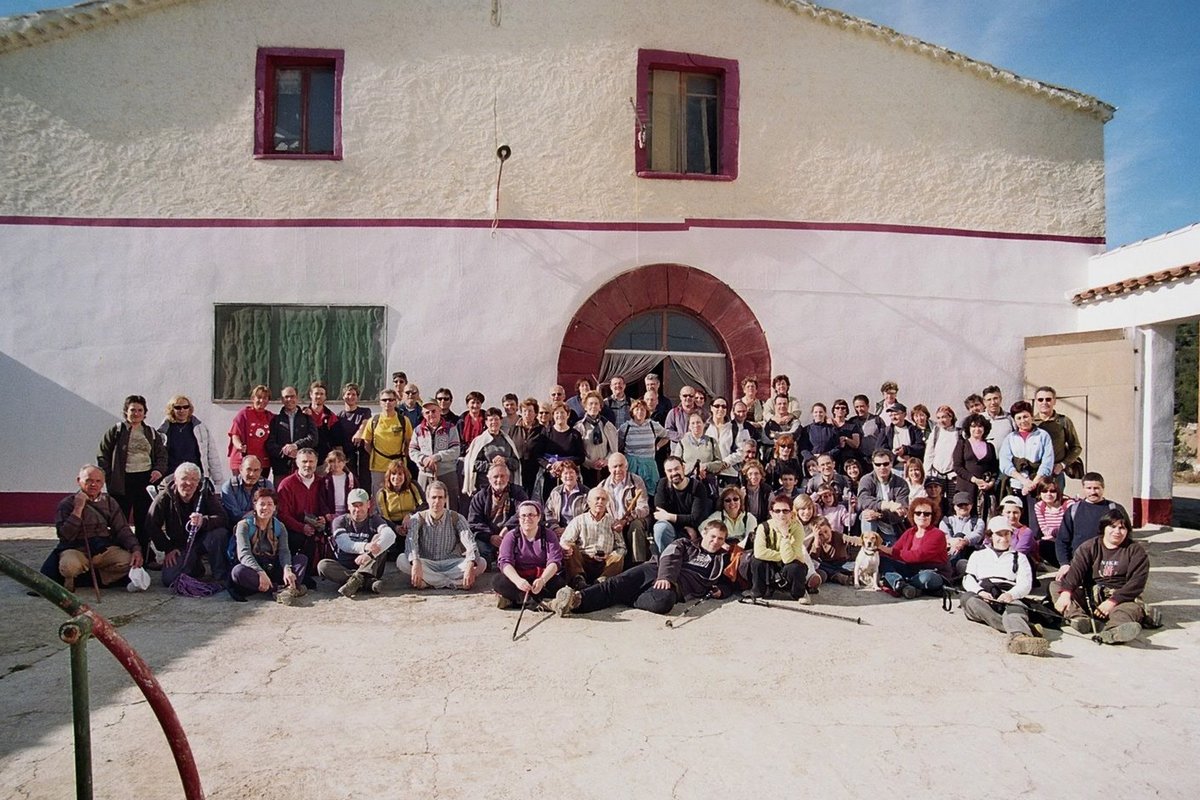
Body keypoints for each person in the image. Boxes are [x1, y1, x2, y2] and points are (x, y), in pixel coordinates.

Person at [550, 520, 733, 617]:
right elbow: (670, 556)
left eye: (721, 539)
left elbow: (728, 582)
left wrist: (721, 591)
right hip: (656, 570)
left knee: (664, 603)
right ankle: (577, 601)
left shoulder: (720, 560)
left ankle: (628, 596)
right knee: (618, 582)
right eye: (713, 536)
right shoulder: (685, 543)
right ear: (704, 533)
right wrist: (666, 576)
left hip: (674, 588)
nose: (716, 541)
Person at [1051, 507, 1153, 645]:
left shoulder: (1136, 551)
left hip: (1121, 599)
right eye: (1112, 526)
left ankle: (1113, 632)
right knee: (1056, 586)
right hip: (1091, 597)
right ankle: (1079, 619)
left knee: (1128, 611)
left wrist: (1112, 602)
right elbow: (1075, 573)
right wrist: (1066, 593)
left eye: (1122, 528)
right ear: (1103, 528)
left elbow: (1136, 584)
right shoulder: (1089, 547)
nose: (1117, 531)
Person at [43, 465, 144, 591]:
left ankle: (87, 579)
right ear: (79, 481)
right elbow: (65, 535)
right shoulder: (67, 504)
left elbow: (122, 529)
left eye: (98, 481)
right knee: (69, 567)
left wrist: (135, 549)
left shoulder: (109, 502)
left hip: (103, 550)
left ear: (103, 483)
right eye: (89, 480)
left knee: (131, 563)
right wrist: (78, 508)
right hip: (77, 549)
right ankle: (72, 577)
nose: (93, 485)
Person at [961, 517, 1049, 656]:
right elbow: (968, 579)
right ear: (990, 536)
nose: (1003, 538)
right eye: (999, 534)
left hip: (1008, 595)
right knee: (968, 599)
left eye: (1007, 534)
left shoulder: (1020, 557)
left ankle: (1018, 638)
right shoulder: (977, 555)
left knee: (1016, 606)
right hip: (983, 596)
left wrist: (1011, 595)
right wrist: (980, 591)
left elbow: (1025, 583)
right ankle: (1022, 627)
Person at [146, 462, 230, 588]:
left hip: (202, 540)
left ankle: (220, 576)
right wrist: (168, 548)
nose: (189, 483)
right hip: (179, 545)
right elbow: (151, 524)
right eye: (184, 478)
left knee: (219, 534)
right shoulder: (165, 497)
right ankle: (195, 566)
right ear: (176, 480)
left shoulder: (205, 493)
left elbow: (223, 518)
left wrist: (204, 521)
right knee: (170, 580)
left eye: (194, 479)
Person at [398, 480, 485, 590]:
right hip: (427, 563)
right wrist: (415, 562)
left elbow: (470, 543)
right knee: (402, 560)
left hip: (452, 564)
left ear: (445, 499)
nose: (437, 501)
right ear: (427, 499)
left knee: (481, 563)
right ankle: (452, 583)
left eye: (440, 497)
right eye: (433, 497)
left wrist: (470, 564)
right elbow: (411, 543)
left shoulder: (456, 518)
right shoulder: (417, 518)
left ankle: (430, 582)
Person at [229, 488, 307, 603]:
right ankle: (282, 589)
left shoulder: (280, 526)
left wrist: (287, 569)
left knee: (301, 559)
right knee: (238, 571)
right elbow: (244, 554)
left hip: (272, 566)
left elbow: (284, 551)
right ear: (255, 505)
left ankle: (282, 588)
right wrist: (260, 572)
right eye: (262, 504)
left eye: (270, 504)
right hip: (254, 568)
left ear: (275, 507)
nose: (265, 508)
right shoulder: (244, 526)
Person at [317, 488, 395, 597]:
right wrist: (366, 546)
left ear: (368, 504)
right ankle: (366, 583)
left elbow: (391, 535)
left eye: (361, 505)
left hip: (370, 566)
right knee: (323, 565)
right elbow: (345, 544)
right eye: (354, 505)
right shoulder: (340, 521)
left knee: (379, 539)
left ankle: (357, 580)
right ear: (348, 506)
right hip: (345, 567)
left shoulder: (375, 520)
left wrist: (369, 554)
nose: (357, 509)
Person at [493, 500, 566, 609]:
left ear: (539, 517)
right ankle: (544, 604)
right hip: (519, 577)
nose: (527, 519)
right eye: (523, 516)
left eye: (531, 515)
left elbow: (554, 561)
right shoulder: (511, 536)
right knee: (498, 581)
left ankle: (512, 601)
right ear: (519, 518)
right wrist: (518, 581)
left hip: (540, 577)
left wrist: (542, 580)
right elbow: (505, 562)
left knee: (559, 583)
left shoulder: (549, 535)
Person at [745, 494, 816, 602]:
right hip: (771, 565)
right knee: (756, 561)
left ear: (791, 512)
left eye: (785, 511)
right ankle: (759, 592)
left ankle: (799, 594)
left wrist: (785, 536)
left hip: (788, 566)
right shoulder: (763, 527)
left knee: (796, 567)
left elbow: (789, 559)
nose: (781, 514)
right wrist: (782, 555)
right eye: (777, 511)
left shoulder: (797, 527)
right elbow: (759, 553)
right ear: (771, 513)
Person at [1054, 472, 1125, 581]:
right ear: (1083, 488)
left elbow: (1126, 538)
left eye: (1096, 488)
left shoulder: (1115, 509)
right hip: (1079, 562)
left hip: (1107, 563)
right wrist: (1064, 564)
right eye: (1089, 488)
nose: (1093, 492)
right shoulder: (1074, 510)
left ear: (1103, 488)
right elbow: (1062, 540)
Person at [877, 497, 948, 598]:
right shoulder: (909, 532)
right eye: (918, 513)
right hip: (910, 569)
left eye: (927, 514)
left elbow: (918, 556)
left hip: (932, 571)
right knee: (882, 560)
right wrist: (879, 550)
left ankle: (898, 584)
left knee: (926, 578)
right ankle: (901, 584)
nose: (922, 516)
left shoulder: (938, 534)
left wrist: (889, 550)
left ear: (932, 516)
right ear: (913, 515)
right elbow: (895, 551)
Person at [274, 448, 324, 586]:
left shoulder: (322, 482)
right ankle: (301, 575)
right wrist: (301, 527)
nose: (308, 465)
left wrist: (323, 519)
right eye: (304, 461)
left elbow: (327, 505)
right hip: (294, 529)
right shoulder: (286, 484)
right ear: (297, 463)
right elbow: (282, 514)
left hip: (317, 527)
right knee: (298, 538)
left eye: (311, 461)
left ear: (316, 463)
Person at [560, 487, 626, 589]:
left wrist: (611, 555)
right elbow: (564, 541)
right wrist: (567, 547)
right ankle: (578, 580)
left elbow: (621, 547)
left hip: (604, 563)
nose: (600, 502)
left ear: (607, 503)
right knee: (570, 547)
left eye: (603, 499)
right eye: (597, 498)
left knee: (619, 556)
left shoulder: (613, 522)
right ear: (589, 502)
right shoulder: (579, 520)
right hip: (583, 561)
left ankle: (602, 582)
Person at [999, 400, 1054, 518]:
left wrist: (1033, 484)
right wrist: (1024, 481)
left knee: (1036, 520)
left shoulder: (1043, 435)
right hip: (1016, 485)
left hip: (1038, 486)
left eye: (1025, 416)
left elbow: (1047, 462)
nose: (1023, 421)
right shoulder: (1010, 438)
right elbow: (1005, 463)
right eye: (1018, 418)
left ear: (1031, 416)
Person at [467, 463, 529, 565]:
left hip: (512, 534)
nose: (499, 480)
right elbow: (474, 522)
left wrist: (507, 528)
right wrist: (491, 537)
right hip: (488, 537)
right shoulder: (480, 496)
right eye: (495, 476)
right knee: (480, 550)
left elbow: (524, 512)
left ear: (508, 478)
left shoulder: (518, 492)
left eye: (502, 476)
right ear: (489, 479)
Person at [159, 394, 226, 485]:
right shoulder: (164, 430)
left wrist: (218, 480)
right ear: (172, 409)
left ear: (189, 409)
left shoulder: (200, 428)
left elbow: (212, 454)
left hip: (195, 476)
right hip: (171, 476)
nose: (182, 410)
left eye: (185, 407)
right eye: (178, 407)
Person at [652, 456, 712, 554]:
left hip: (694, 530)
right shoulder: (662, 484)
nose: (674, 473)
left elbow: (696, 518)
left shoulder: (697, 487)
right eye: (669, 471)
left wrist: (669, 516)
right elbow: (659, 514)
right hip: (675, 528)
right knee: (660, 527)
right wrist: (683, 527)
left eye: (677, 469)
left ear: (683, 468)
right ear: (665, 472)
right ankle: (665, 558)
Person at [599, 453, 651, 563]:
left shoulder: (636, 481)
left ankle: (639, 563)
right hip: (612, 523)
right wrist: (611, 522)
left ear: (626, 466)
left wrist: (626, 520)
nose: (618, 470)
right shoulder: (602, 487)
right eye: (615, 466)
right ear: (609, 469)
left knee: (636, 526)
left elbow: (644, 508)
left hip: (632, 520)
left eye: (621, 465)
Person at [409, 400, 463, 506]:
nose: (431, 414)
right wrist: (423, 459)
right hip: (425, 474)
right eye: (427, 412)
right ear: (423, 414)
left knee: (449, 505)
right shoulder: (418, 430)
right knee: (424, 505)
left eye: (433, 411)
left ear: (439, 411)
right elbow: (412, 450)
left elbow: (456, 450)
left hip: (446, 473)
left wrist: (437, 457)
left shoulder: (450, 428)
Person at [359, 389, 413, 493]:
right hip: (378, 466)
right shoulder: (373, 421)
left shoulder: (404, 420)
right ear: (380, 402)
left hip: (398, 466)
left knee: (398, 495)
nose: (388, 402)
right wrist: (377, 455)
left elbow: (409, 443)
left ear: (396, 402)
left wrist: (402, 457)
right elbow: (367, 444)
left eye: (391, 400)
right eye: (384, 400)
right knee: (378, 495)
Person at [462, 407, 520, 496]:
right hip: (485, 486)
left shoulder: (508, 441)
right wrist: (492, 466)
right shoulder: (479, 441)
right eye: (491, 420)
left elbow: (516, 463)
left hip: (506, 486)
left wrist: (505, 460)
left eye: (496, 419)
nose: (494, 422)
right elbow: (473, 464)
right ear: (486, 422)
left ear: (501, 421)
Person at [1033, 386, 1083, 488]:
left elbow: (1076, 447)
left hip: (1055, 474)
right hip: (1034, 473)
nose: (1044, 402)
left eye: (1048, 399)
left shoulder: (1063, 421)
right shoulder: (1031, 422)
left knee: (1056, 498)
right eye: (1040, 400)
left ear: (1054, 401)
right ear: (1036, 401)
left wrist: (1063, 464)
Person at [952, 413, 999, 519]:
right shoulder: (962, 444)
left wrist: (990, 483)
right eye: (973, 426)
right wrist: (974, 480)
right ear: (968, 428)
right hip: (966, 488)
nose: (977, 429)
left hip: (984, 490)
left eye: (980, 426)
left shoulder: (990, 446)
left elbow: (994, 468)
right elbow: (957, 467)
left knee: (984, 517)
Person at [857, 449, 910, 543]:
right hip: (870, 523)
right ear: (873, 464)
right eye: (878, 464)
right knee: (867, 514)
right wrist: (887, 505)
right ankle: (868, 548)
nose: (882, 467)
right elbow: (863, 500)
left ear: (891, 463)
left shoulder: (901, 484)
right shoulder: (866, 480)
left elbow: (901, 512)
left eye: (885, 464)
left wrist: (879, 515)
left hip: (892, 526)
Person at [266, 386, 317, 481]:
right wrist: (287, 452)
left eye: (292, 396)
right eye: (286, 397)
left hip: (303, 470)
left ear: (297, 398)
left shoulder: (306, 418)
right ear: (282, 400)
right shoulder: (275, 420)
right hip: (281, 470)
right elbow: (270, 444)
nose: (289, 399)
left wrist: (296, 446)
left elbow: (313, 439)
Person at [375, 459, 424, 556]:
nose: (396, 477)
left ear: (405, 475)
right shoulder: (382, 493)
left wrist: (410, 515)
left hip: (412, 521)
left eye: (400, 474)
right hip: (393, 525)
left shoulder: (413, 486)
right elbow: (383, 516)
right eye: (393, 474)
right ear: (389, 476)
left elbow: (424, 504)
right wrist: (396, 527)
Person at [537, 402, 585, 500]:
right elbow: (538, 454)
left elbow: (581, 457)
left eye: (562, 412)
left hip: (569, 476)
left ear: (568, 414)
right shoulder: (546, 433)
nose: (560, 415)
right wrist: (549, 466)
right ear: (553, 415)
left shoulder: (575, 435)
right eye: (557, 413)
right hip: (550, 475)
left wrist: (563, 463)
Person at [618, 398, 667, 490]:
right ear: (632, 412)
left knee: (651, 492)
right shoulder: (625, 428)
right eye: (637, 409)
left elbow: (666, 436)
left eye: (642, 410)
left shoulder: (653, 425)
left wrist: (658, 446)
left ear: (646, 412)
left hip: (649, 466)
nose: (640, 412)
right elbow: (619, 444)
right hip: (632, 466)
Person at [227, 384, 274, 475]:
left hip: (262, 463)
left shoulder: (270, 417)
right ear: (253, 398)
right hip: (242, 461)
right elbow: (235, 435)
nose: (262, 400)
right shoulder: (244, 414)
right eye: (259, 397)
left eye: (265, 398)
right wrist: (239, 446)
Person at [576, 391, 619, 486]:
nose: (593, 406)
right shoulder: (579, 427)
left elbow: (614, 448)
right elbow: (578, 451)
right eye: (590, 404)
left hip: (606, 469)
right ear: (585, 407)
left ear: (600, 407)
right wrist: (590, 463)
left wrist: (606, 460)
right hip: (587, 470)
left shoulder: (608, 426)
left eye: (596, 404)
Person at [705, 397, 750, 485]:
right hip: (708, 474)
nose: (720, 409)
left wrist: (724, 464)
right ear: (711, 408)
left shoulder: (735, 428)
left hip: (729, 474)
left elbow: (741, 451)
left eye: (724, 406)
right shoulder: (705, 428)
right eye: (717, 406)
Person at [337, 383, 373, 491]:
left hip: (363, 453)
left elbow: (366, 422)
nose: (351, 397)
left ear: (357, 397)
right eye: (348, 394)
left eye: (353, 394)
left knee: (365, 480)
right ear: (343, 396)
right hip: (348, 455)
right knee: (351, 481)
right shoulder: (339, 416)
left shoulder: (365, 412)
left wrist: (359, 432)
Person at [941, 490, 986, 575]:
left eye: (966, 504)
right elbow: (945, 537)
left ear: (971, 505)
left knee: (961, 536)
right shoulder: (946, 521)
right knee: (958, 537)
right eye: (960, 505)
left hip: (970, 553)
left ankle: (952, 568)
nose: (963, 507)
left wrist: (964, 541)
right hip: (950, 551)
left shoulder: (978, 521)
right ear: (954, 507)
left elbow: (978, 535)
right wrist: (956, 542)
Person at [220, 455, 273, 525]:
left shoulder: (266, 485)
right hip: (236, 527)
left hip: (262, 526)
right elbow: (235, 515)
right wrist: (259, 514)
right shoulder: (229, 487)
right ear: (241, 469)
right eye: (249, 469)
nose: (252, 474)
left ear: (261, 471)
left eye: (256, 470)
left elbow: (272, 510)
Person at [1030, 482, 1073, 568]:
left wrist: (1058, 536)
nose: (1048, 494)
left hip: (1069, 540)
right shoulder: (1039, 506)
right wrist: (1055, 536)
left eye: (1052, 491)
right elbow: (1044, 529)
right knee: (1040, 545)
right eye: (1044, 491)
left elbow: (1071, 528)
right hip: (1053, 540)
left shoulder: (1068, 504)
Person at [510, 397, 545, 495]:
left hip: (534, 469)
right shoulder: (513, 429)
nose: (527, 414)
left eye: (530, 411)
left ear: (535, 413)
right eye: (524, 411)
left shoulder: (542, 430)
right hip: (517, 468)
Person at [679, 412, 725, 485]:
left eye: (698, 422)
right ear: (689, 426)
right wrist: (695, 468)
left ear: (704, 424)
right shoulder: (682, 443)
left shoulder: (712, 441)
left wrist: (705, 466)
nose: (696, 425)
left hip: (708, 482)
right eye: (693, 423)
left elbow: (719, 463)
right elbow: (677, 463)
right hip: (688, 482)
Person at [302, 381, 342, 464]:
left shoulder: (331, 417)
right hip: (305, 460)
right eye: (316, 393)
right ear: (311, 395)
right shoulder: (302, 415)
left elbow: (337, 443)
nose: (319, 396)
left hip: (324, 462)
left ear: (325, 396)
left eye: (322, 394)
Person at [807, 515, 852, 587]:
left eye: (826, 531)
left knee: (829, 568)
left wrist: (864, 540)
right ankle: (838, 575)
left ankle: (841, 574)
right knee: (819, 565)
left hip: (838, 562)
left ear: (830, 528)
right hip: (825, 563)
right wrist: (817, 540)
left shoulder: (838, 536)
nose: (825, 536)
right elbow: (813, 557)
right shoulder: (817, 540)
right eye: (820, 534)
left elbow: (852, 540)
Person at [922, 405, 958, 492]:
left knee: (952, 499)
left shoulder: (959, 433)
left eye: (944, 417)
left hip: (953, 476)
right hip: (936, 475)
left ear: (951, 417)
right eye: (938, 418)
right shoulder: (936, 432)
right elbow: (929, 454)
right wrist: (927, 474)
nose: (941, 420)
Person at [317, 448, 357, 526]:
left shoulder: (350, 478)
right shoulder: (326, 479)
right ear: (329, 463)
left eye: (339, 461)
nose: (336, 464)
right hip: (332, 512)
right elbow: (321, 497)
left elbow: (356, 493)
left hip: (348, 511)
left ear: (344, 462)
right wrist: (326, 512)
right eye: (333, 462)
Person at [664, 386, 699, 453]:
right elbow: (668, 431)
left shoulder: (702, 413)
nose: (688, 398)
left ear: (694, 397)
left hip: (696, 451)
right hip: (678, 451)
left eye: (691, 396)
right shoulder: (673, 413)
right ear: (680, 396)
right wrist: (683, 437)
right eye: (685, 395)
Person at [852, 394, 886, 464]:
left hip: (874, 458)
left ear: (867, 406)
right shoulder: (852, 422)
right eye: (857, 407)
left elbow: (884, 439)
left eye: (862, 406)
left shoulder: (877, 420)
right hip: (858, 459)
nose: (859, 409)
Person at [829, 398, 861, 468]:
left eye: (843, 408)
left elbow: (856, 444)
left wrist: (846, 439)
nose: (840, 410)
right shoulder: (828, 425)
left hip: (847, 459)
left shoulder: (852, 426)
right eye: (837, 408)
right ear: (833, 410)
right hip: (832, 458)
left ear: (846, 411)